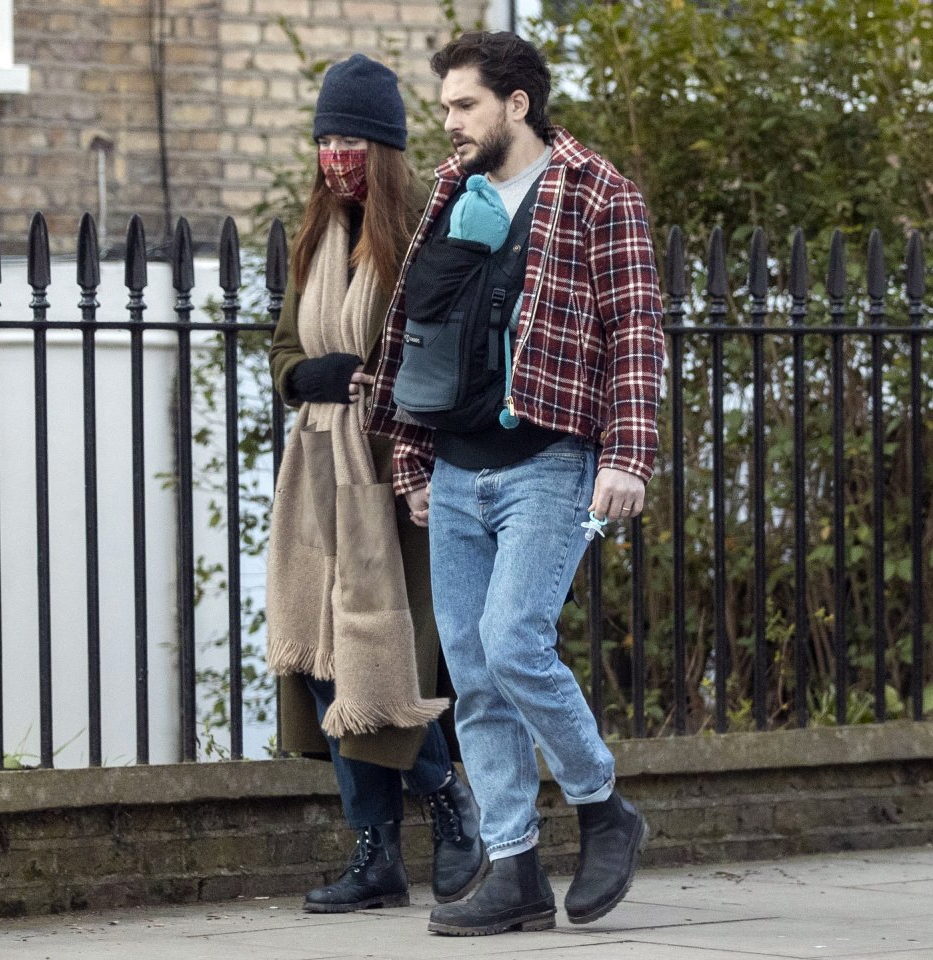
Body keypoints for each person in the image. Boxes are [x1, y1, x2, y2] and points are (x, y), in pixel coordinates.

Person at [364, 32, 665, 936]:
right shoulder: (454, 194)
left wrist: (627, 455)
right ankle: (514, 867)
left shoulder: (596, 192)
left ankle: (604, 805)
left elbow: (637, 330)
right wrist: (413, 461)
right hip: (456, 468)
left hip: (551, 461)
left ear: (516, 104)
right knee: (473, 674)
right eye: (448, 106)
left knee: (512, 641)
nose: (449, 123)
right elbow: (419, 327)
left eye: (464, 105)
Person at [265, 53, 485, 915]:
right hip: (316, 477)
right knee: (320, 657)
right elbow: (284, 352)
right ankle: (381, 853)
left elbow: (438, 357)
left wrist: (378, 389)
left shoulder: (416, 237)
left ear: (385, 147)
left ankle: (444, 803)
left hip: (395, 479)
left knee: (376, 658)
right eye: (326, 137)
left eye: (352, 136)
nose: (336, 153)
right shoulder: (313, 236)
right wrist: (312, 376)